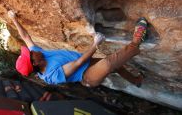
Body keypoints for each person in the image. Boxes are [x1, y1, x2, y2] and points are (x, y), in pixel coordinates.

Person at [8, 10, 147, 87]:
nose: (31, 50)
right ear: (35, 63)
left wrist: (13, 18)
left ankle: (136, 81)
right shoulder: (52, 75)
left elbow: (25, 37)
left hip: (85, 62)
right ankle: (136, 42)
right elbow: (78, 63)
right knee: (108, 63)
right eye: (30, 54)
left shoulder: (39, 54)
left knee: (115, 65)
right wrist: (96, 43)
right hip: (87, 75)